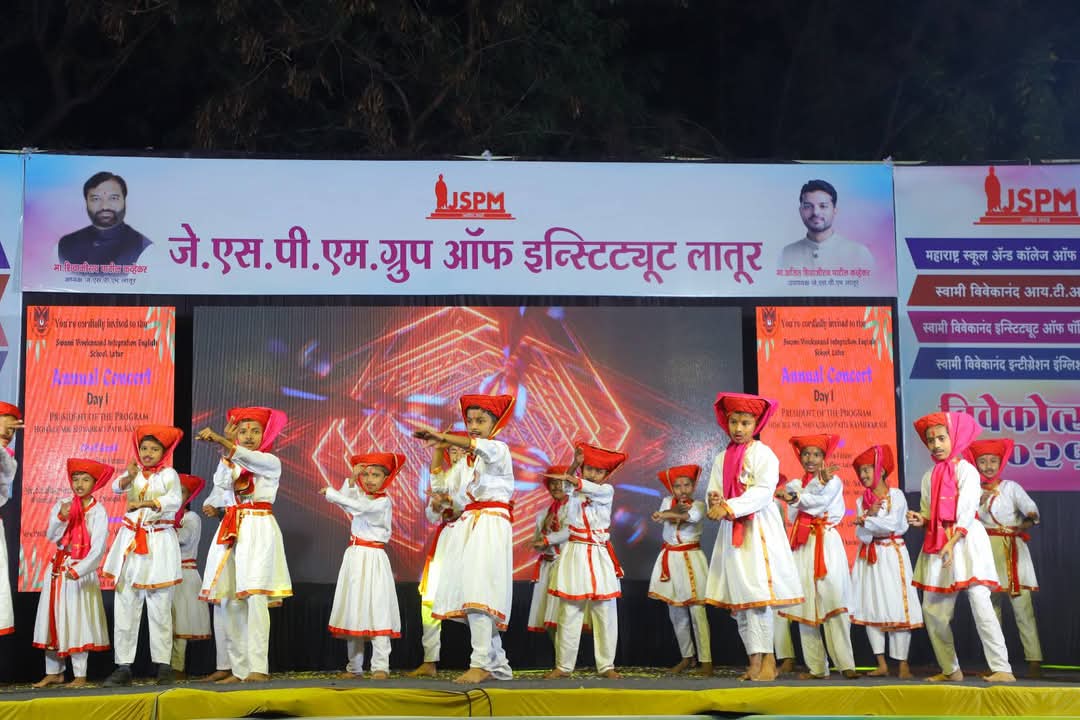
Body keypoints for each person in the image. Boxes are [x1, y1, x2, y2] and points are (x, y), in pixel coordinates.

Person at [413, 394, 516, 684]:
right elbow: (441, 488)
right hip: (469, 524)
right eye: (470, 420)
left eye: (481, 421)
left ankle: (480, 663)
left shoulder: (498, 449)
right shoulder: (467, 464)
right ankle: (498, 664)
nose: (473, 426)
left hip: (489, 522)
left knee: (479, 591)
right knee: (472, 591)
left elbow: (475, 445)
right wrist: (438, 449)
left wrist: (443, 436)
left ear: (495, 424)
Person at [907, 412, 1014, 682]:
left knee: (980, 601)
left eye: (941, 438)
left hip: (966, 540)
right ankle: (950, 669)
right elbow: (929, 512)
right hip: (939, 540)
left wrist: (952, 542)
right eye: (931, 440)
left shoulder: (966, 470)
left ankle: (1002, 668)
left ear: (954, 438)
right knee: (933, 609)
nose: (936, 445)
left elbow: (966, 511)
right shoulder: (929, 475)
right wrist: (921, 519)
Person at [704, 392, 802, 682]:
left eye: (745, 423)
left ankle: (769, 659)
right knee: (741, 599)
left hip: (758, 528)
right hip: (732, 530)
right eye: (734, 422)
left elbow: (763, 492)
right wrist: (714, 500)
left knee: (758, 596)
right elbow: (714, 491)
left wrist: (728, 506)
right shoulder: (722, 458)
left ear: (756, 424)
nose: (738, 428)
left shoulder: (763, 454)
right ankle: (754, 661)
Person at [197, 406, 293, 683]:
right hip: (232, 528)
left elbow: (249, 459)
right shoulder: (232, 461)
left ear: (265, 435)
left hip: (258, 528)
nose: (248, 436)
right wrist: (213, 504)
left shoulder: (270, 461)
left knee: (255, 596)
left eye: (255, 431)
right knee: (230, 598)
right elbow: (220, 485)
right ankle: (239, 669)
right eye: (242, 431)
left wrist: (224, 442)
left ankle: (258, 668)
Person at [102, 424, 184, 687]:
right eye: (144, 448)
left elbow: (174, 500)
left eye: (154, 449)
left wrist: (147, 503)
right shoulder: (134, 472)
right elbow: (116, 488)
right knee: (126, 604)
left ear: (164, 452)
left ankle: (164, 666)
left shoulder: (169, 474)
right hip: (132, 545)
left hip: (158, 543)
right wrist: (129, 476)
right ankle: (123, 666)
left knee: (160, 606)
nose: (148, 453)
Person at [777, 434, 859, 680]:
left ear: (824, 457)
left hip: (826, 541)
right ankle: (817, 668)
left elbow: (818, 503)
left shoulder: (833, 481)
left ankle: (846, 664)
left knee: (834, 600)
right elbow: (794, 512)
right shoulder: (795, 484)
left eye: (816, 454)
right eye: (806, 454)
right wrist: (800, 494)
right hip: (803, 545)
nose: (810, 459)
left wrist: (800, 495)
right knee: (805, 606)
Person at [545, 442, 627, 679]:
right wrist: (574, 464)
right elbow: (567, 485)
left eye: (598, 471)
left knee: (605, 610)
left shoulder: (606, 490)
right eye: (589, 469)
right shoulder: (573, 489)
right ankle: (563, 666)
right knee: (570, 610)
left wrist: (574, 476)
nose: (592, 474)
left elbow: (579, 484)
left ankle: (607, 665)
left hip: (599, 553)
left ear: (606, 474)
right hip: (576, 552)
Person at [31, 459, 114, 688]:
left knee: (78, 620)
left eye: (85, 480)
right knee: (52, 618)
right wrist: (61, 517)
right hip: (58, 568)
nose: (79, 484)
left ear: (94, 483)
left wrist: (79, 570)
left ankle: (80, 674)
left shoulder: (98, 510)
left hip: (80, 571)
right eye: (76, 479)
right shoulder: (63, 504)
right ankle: (54, 672)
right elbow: (51, 536)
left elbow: (98, 548)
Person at [321, 453, 404, 679]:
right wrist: (350, 479)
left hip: (374, 558)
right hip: (355, 557)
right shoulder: (363, 497)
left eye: (375, 475)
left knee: (378, 608)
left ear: (386, 478)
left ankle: (380, 666)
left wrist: (331, 494)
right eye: (365, 475)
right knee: (354, 607)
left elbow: (358, 508)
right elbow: (349, 501)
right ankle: (354, 667)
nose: (369, 479)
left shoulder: (382, 502)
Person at [966, 438, 1043, 678]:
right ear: (976, 464)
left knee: (1023, 608)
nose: (988, 466)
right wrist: (975, 503)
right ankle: (997, 664)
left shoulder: (1011, 487)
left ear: (1000, 463)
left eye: (993, 461)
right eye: (983, 461)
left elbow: (1030, 509)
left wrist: (1029, 518)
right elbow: (962, 517)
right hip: (985, 549)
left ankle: (1034, 660)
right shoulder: (972, 489)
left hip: (1012, 550)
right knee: (990, 609)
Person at [850, 444, 921, 679]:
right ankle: (881, 663)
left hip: (892, 554)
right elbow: (862, 536)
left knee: (896, 605)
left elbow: (894, 524)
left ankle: (902, 664)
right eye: (860, 471)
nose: (863, 475)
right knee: (872, 606)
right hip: (871, 557)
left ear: (880, 470)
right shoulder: (862, 501)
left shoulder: (896, 495)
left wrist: (867, 521)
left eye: (867, 469)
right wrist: (868, 516)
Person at [408, 432, 470, 678]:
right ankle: (429, 660)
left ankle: (487, 660)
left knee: (473, 603)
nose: (457, 455)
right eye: (452, 451)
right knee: (429, 601)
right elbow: (433, 516)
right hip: (445, 542)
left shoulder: (475, 475)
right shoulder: (445, 478)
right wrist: (436, 506)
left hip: (469, 539)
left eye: (461, 450)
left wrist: (451, 503)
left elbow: (468, 505)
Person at [648, 464, 712, 676]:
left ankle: (706, 661)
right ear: (672, 489)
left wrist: (667, 514)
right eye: (677, 486)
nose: (683, 490)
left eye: (687, 485)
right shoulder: (667, 501)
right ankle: (687, 657)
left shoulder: (700, 505)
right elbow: (661, 516)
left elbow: (688, 517)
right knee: (676, 612)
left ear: (693, 487)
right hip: (670, 558)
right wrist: (667, 513)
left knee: (697, 611)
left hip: (691, 559)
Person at [58, 172, 151, 266]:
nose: (105, 206)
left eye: (113, 198)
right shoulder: (65, 245)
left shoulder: (144, 248)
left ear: (124, 201)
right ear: (86, 202)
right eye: (96, 199)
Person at [778, 179, 875, 271]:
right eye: (808, 206)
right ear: (800, 211)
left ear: (834, 211)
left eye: (823, 206)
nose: (815, 212)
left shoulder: (859, 253)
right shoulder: (786, 254)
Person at [199, 464, 238, 682]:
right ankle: (224, 665)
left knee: (236, 603)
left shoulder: (255, 462)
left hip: (245, 532)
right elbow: (216, 495)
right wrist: (213, 508)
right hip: (225, 532)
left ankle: (242, 666)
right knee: (221, 603)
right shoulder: (226, 463)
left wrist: (220, 510)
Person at [170, 473, 212, 679]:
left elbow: (183, 538)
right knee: (167, 623)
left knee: (181, 624)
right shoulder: (166, 519)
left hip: (184, 576)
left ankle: (177, 668)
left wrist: (162, 526)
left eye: (182, 492)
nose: (177, 496)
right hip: (167, 575)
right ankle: (166, 666)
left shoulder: (191, 518)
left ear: (189, 497)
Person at [525, 467, 572, 641]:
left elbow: (570, 531)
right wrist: (540, 538)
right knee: (548, 619)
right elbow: (539, 543)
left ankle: (567, 656)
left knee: (565, 617)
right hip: (548, 567)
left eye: (561, 482)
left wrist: (546, 540)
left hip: (567, 566)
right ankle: (558, 656)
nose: (557, 486)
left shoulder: (574, 508)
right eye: (553, 483)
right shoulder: (543, 514)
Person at [0, 403, 24, 638]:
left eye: (13, 429)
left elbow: (6, 482)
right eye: (5, 426)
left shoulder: (8, 461)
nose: (9, 433)